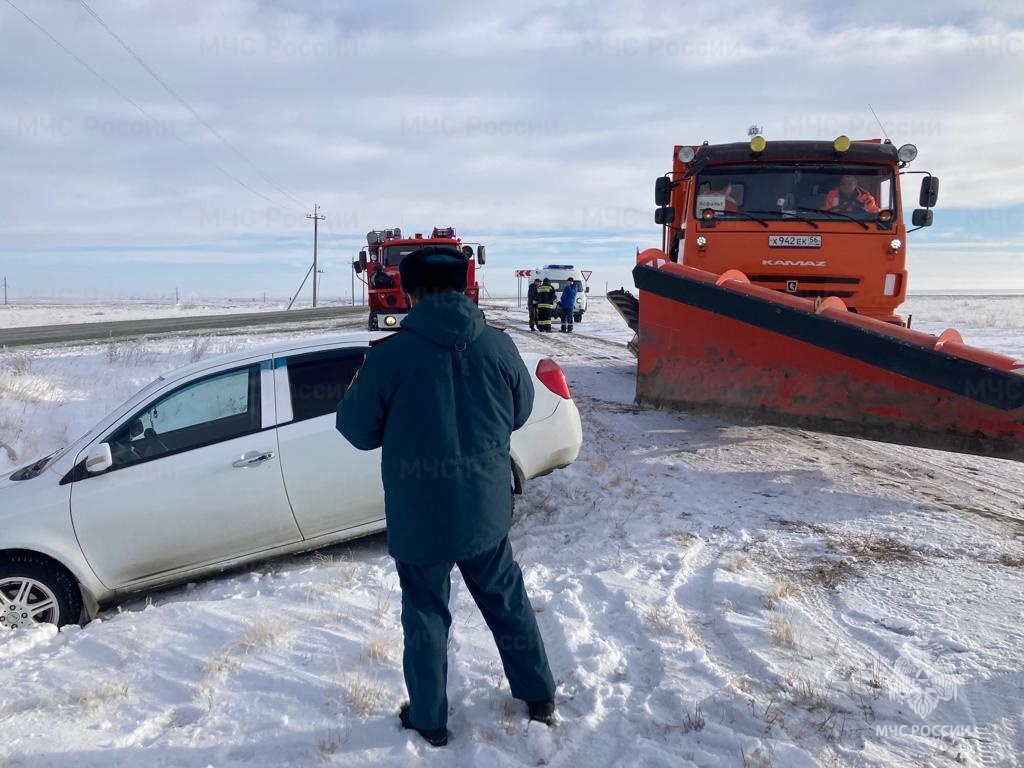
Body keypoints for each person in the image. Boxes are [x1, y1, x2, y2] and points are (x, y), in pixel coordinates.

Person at [336, 246, 557, 748]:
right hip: (485, 510)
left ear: (410, 293)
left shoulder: (389, 356)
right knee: (507, 602)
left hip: (420, 517)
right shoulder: (499, 348)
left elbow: (355, 430)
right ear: (464, 288)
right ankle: (539, 693)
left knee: (426, 615)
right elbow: (520, 414)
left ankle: (430, 719)